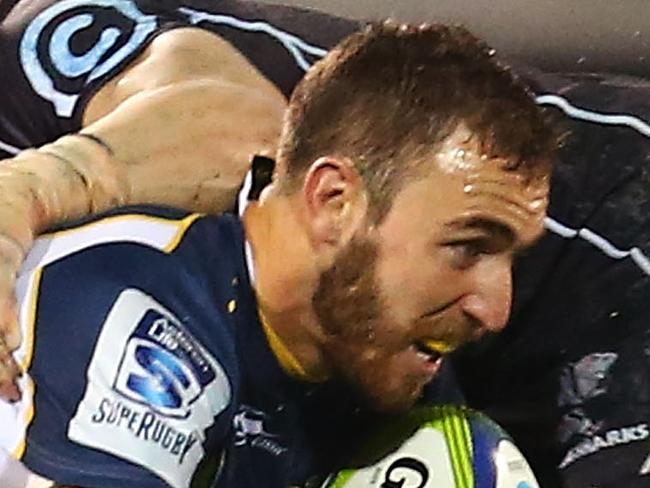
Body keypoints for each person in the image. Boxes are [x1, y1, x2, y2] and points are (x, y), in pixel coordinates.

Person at [0, 1, 648, 487]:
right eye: (468, 247)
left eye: (510, 256)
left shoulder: (378, 369)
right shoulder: (137, 317)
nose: (496, 309)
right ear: (333, 201)